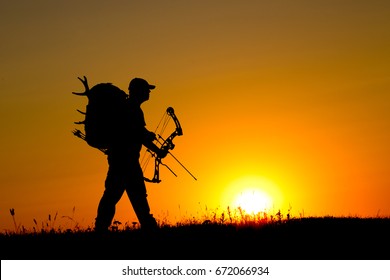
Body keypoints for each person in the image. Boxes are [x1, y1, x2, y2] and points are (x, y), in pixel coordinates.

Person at [94, 77, 167, 233]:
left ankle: (101, 228)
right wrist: (157, 150)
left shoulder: (130, 108)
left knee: (123, 195)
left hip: (122, 160)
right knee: (121, 195)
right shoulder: (132, 109)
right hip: (124, 161)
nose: (148, 92)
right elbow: (137, 134)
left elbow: (137, 132)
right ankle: (101, 228)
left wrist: (148, 137)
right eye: (146, 89)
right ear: (138, 91)